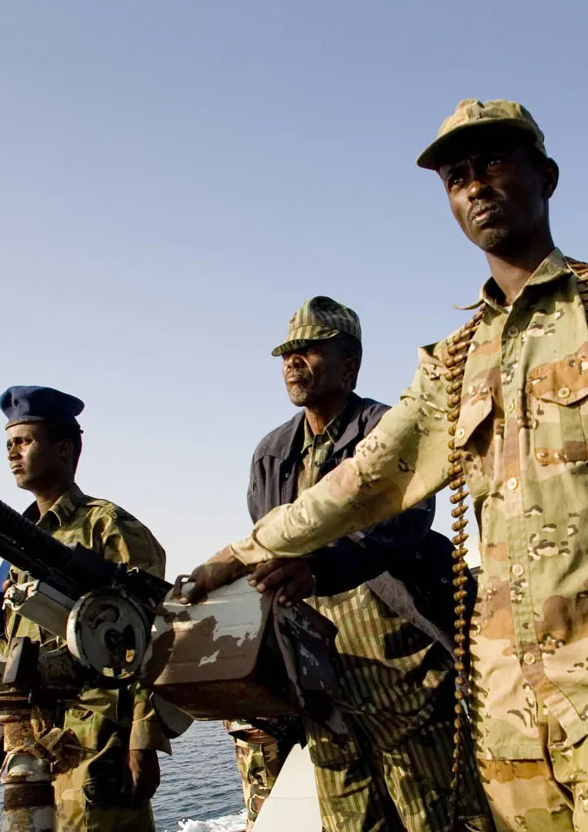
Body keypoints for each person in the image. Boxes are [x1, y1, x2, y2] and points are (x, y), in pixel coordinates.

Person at [182, 99, 588, 832]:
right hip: (506, 718)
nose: (475, 186)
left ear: (545, 176)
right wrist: (232, 558)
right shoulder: (453, 362)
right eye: (457, 176)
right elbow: (360, 482)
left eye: (494, 163)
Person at [230, 295, 465, 832]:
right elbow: (267, 541)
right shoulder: (271, 452)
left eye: (310, 351)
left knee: (434, 814)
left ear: (350, 364)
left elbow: (404, 523)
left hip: (399, 661)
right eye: (288, 354)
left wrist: (318, 566)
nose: (293, 362)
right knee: (349, 819)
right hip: (322, 672)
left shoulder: (387, 427)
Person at [0, 386, 171, 832]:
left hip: (94, 734)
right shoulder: (19, 539)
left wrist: (143, 741)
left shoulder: (107, 526)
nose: (12, 454)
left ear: (64, 448)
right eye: (8, 445)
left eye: (24, 441)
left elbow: (152, 636)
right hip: (30, 734)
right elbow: (25, 643)